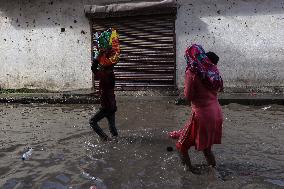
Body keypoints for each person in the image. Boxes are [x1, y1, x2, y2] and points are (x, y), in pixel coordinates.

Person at [169, 44, 223, 173]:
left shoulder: (191, 72)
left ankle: (189, 172)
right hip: (216, 112)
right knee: (207, 149)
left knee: (181, 146)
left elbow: (188, 96)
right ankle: (214, 171)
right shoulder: (212, 69)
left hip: (202, 115)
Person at [89, 56, 118, 141]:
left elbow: (93, 68)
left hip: (106, 106)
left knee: (92, 122)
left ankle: (104, 138)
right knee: (112, 126)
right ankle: (116, 140)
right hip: (112, 105)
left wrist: (99, 55)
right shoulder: (111, 74)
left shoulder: (104, 76)